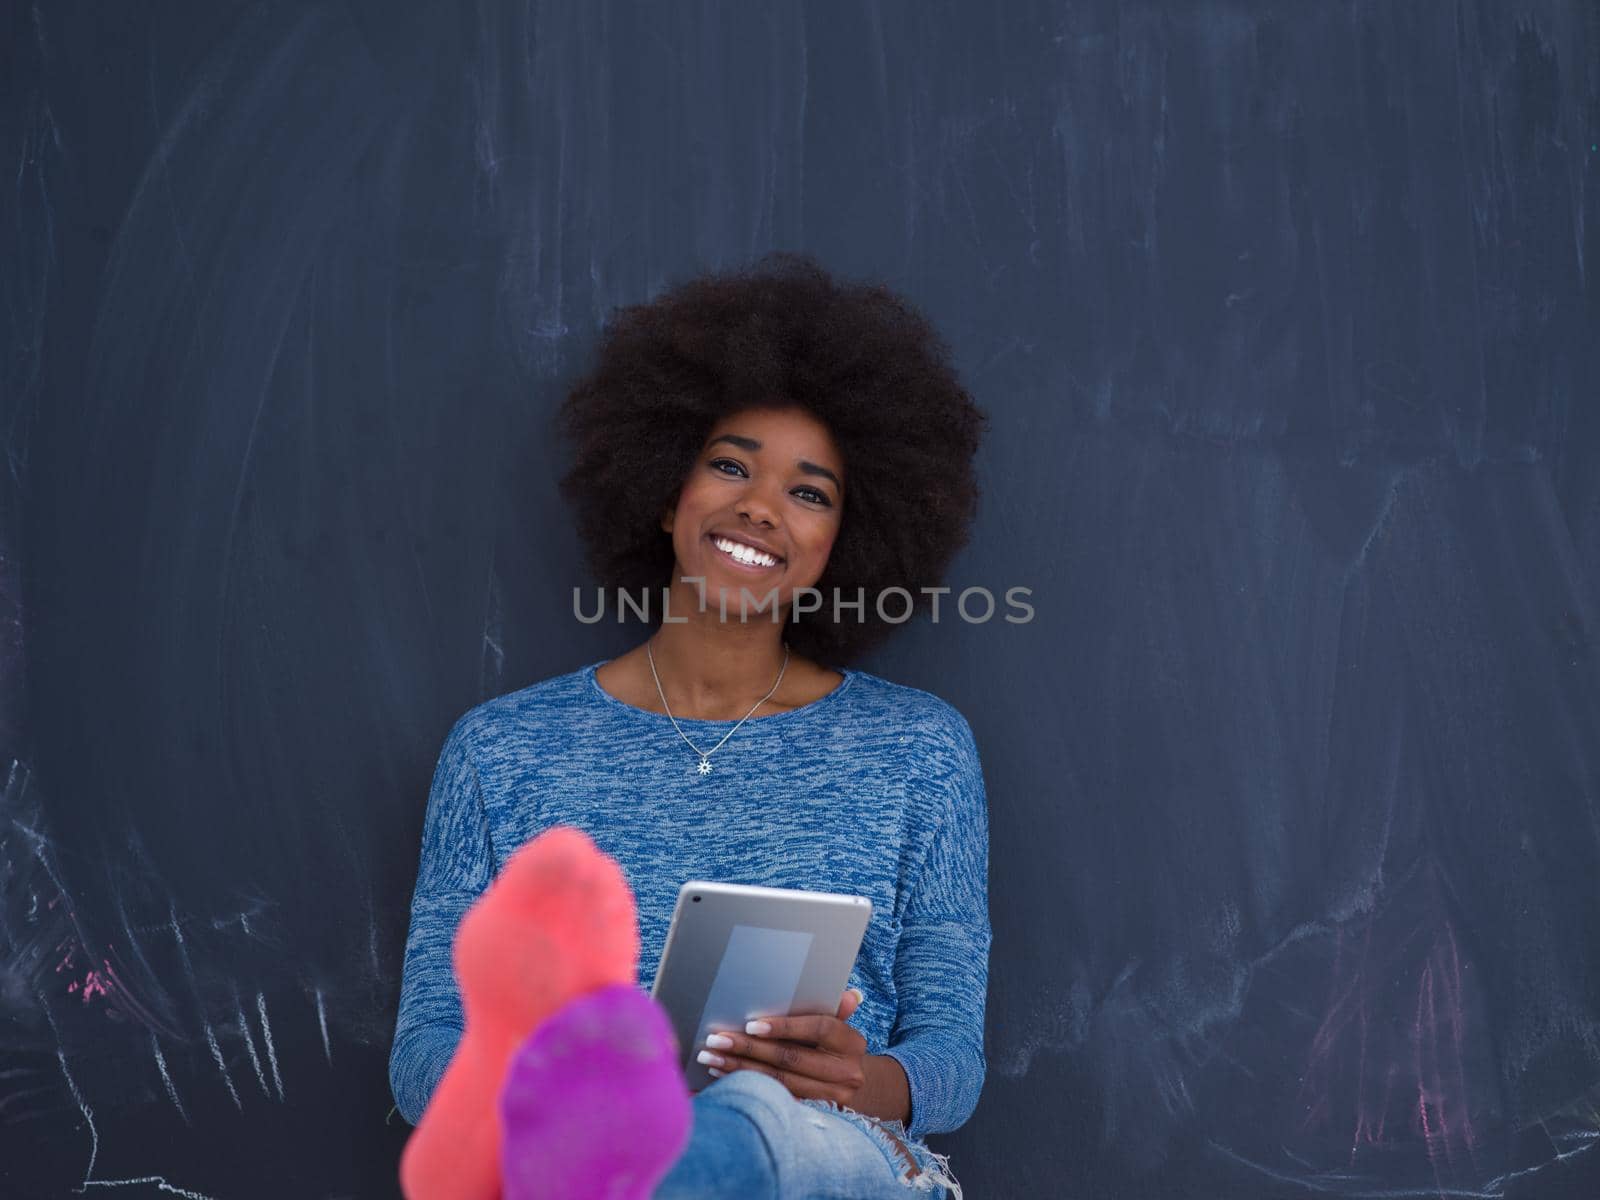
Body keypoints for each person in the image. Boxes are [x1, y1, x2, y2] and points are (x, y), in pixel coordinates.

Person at [388, 252, 992, 1199]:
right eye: (728, 465)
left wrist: (857, 1079)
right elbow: (428, 1052)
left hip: (833, 1162)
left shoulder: (922, 750)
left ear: (842, 545)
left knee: (756, 1124)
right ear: (668, 495)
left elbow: (951, 1057)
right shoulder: (501, 753)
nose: (760, 505)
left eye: (809, 491)